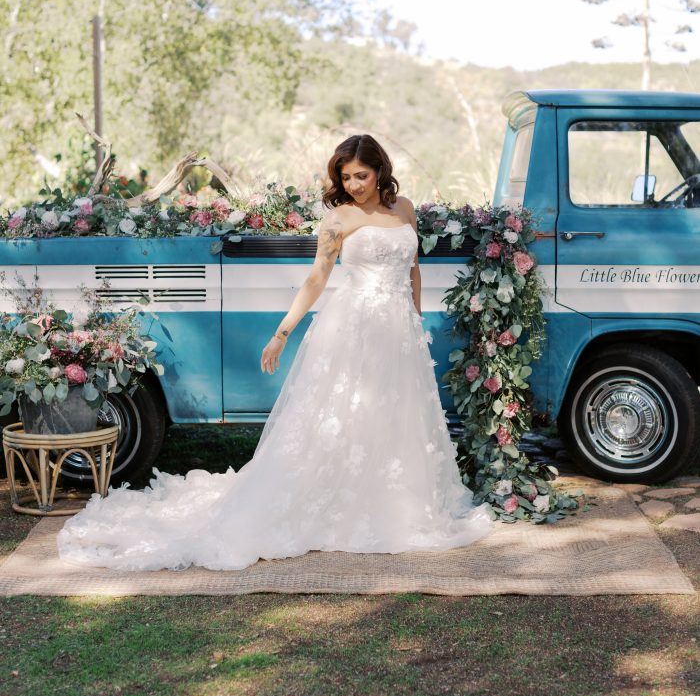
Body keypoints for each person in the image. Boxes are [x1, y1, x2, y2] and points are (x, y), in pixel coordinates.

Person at [57, 134, 492, 571]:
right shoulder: (339, 219)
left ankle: (395, 500)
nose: (355, 184)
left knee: (395, 414)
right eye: (346, 177)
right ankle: (339, 501)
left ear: (380, 170)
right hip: (355, 325)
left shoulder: (404, 209)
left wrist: (415, 321)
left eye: (362, 175)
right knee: (345, 414)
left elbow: (413, 268)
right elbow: (316, 282)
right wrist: (281, 333)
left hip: (399, 330)